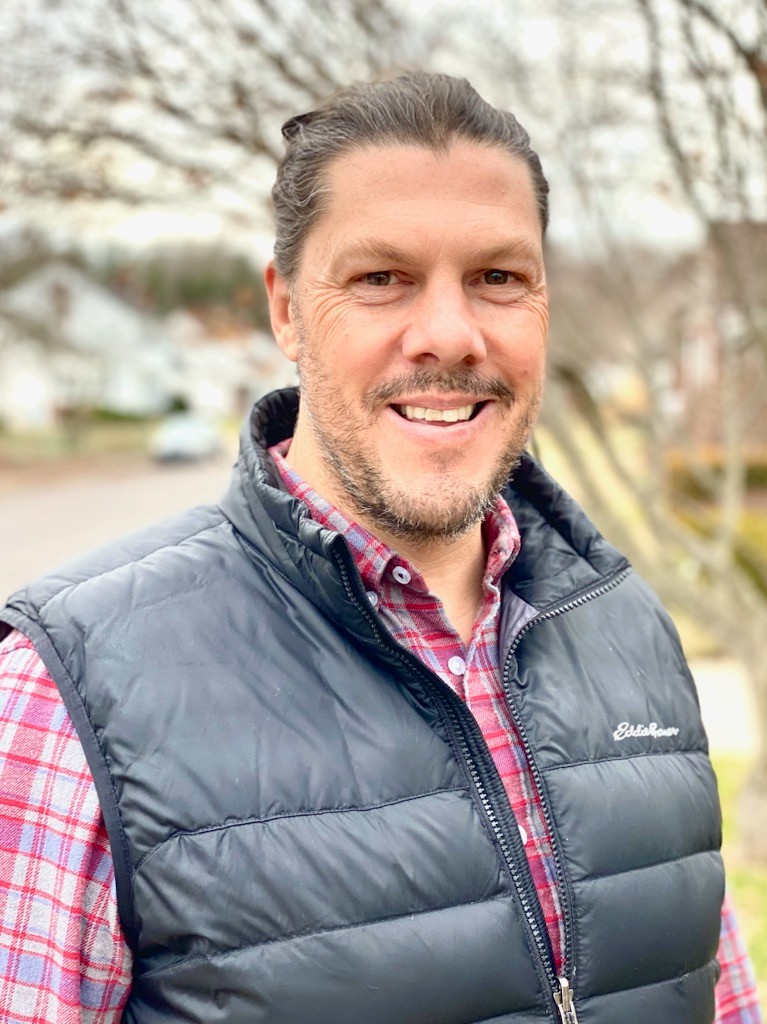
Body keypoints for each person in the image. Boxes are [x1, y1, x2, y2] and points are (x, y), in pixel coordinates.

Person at [0, 72, 761, 1024]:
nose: (448, 334)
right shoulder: (68, 688)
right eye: (379, 279)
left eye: (497, 278)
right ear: (285, 309)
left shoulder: (627, 627)